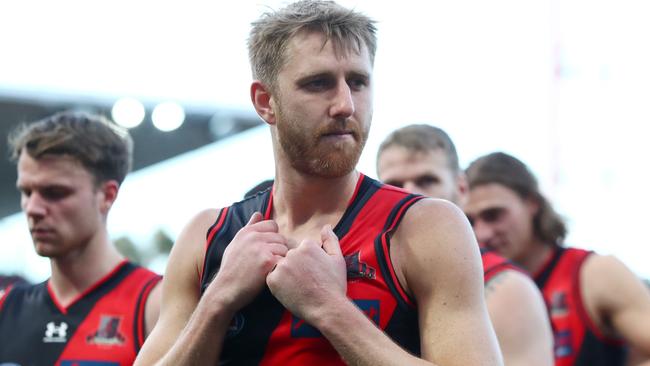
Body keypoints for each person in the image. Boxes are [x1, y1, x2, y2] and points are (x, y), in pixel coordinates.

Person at [135, 1, 502, 365]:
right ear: (266, 102)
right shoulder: (208, 235)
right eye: (318, 84)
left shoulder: (426, 227)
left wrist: (329, 308)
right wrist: (218, 299)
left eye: (357, 82)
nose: (345, 105)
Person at [376, 124, 554, 366]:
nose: (410, 194)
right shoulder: (363, 271)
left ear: (461, 188)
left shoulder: (507, 290)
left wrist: (338, 316)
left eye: (427, 180)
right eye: (394, 184)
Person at [0, 111, 162, 365]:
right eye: (26, 191)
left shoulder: (154, 304)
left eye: (54, 192)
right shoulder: (6, 307)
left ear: (107, 196)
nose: (33, 208)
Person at [464, 152, 650, 366]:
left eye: (494, 215)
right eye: (470, 221)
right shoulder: (472, 289)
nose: (482, 233)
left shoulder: (594, 274)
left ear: (532, 203)